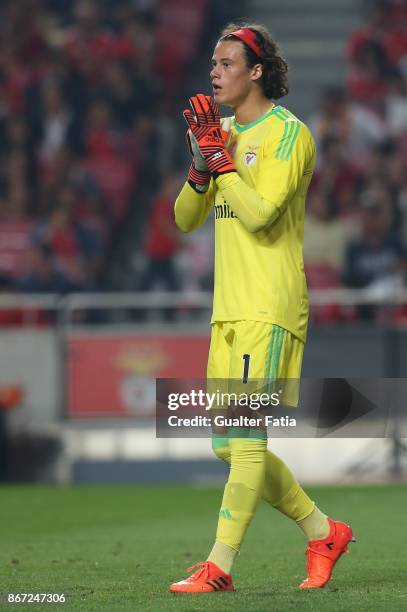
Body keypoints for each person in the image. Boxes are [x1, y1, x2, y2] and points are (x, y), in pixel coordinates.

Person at [169, 23, 355, 594]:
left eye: (226, 64)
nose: (215, 73)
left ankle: (218, 566)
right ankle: (323, 531)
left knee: (245, 440)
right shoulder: (219, 133)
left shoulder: (288, 135)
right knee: (226, 444)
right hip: (228, 309)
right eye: (213, 64)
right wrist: (202, 166)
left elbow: (258, 215)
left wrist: (220, 158)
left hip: (269, 304)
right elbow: (184, 219)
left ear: (255, 72)